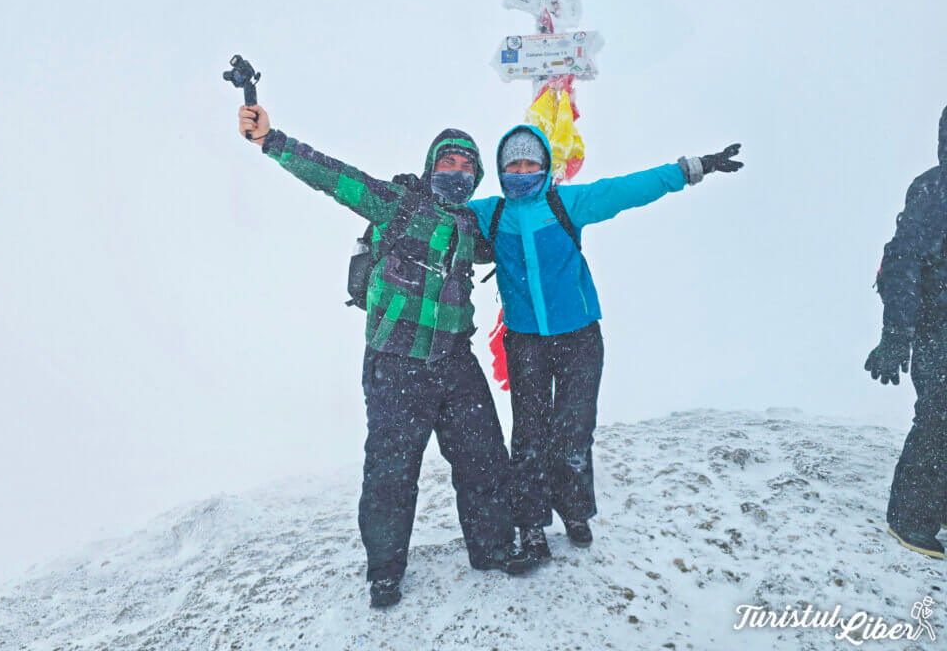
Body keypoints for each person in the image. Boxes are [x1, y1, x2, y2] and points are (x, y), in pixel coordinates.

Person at [236, 105, 539, 608]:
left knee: (484, 457)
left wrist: (545, 195)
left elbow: (516, 233)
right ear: (430, 167)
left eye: (468, 167)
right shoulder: (397, 204)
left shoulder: (470, 228)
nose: (458, 173)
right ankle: (385, 571)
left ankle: (493, 548)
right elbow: (336, 178)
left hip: (454, 361)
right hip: (395, 361)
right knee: (391, 471)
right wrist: (273, 141)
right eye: (450, 162)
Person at [468, 124, 743, 561]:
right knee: (529, 436)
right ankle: (532, 527)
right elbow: (440, 215)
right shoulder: (491, 214)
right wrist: (411, 197)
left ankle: (575, 511)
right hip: (524, 343)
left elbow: (628, 189)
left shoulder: (566, 203)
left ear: (545, 166)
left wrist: (692, 168)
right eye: (514, 164)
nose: (522, 170)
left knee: (574, 432)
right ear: (502, 170)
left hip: (579, 337)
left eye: (530, 162)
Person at [865, 105, 947, 561]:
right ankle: (910, 518)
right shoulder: (936, 190)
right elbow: (901, 260)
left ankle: (939, 505)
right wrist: (897, 332)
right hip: (937, 324)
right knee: (938, 417)